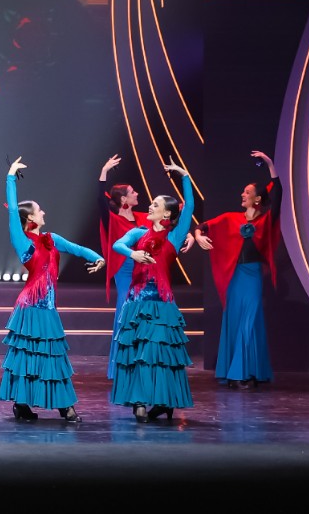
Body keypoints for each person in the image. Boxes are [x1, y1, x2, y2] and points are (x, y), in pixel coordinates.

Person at [0, 158, 106, 423]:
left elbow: (78, 249)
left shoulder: (52, 239)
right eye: (39, 210)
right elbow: (12, 212)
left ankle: (62, 404)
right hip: (30, 307)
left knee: (53, 355)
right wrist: (10, 176)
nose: (43, 212)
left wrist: (98, 258)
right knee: (27, 356)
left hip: (48, 307)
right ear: (30, 218)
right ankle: (26, 404)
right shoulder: (22, 240)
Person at [110, 160, 196, 422]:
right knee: (137, 353)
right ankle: (138, 400)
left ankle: (163, 401)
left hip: (161, 304)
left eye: (156, 205)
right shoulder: (138, 233)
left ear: (167, 214)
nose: (150, 206)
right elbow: (117, 245)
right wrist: (133, 253)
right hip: (136, 302)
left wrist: (184, 176)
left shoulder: (174, 237)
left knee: (159, 355)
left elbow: (189, 207)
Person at [191, 150, 281, 388]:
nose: (242, 194)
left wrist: (269, 164)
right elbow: (202, 226)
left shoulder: (266, 220)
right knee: (233, 321)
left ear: (257, 199)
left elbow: (278, 193)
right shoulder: (231, 218)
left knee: (249, 323)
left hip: (252, 276)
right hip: (235, 278)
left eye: (247, 192)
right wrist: (198, 236)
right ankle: (235, 372)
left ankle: (243, 372)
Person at [97, 154, 147, 379]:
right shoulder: (113, 220)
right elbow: (100, 200)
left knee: (143, 313)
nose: (137, 194)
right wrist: (104, 172)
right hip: (125, 270)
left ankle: (139, 363)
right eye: (133, 192)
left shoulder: (143, 218)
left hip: (144, 271)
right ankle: (121, 366)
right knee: (127, 309)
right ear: (124, 199)